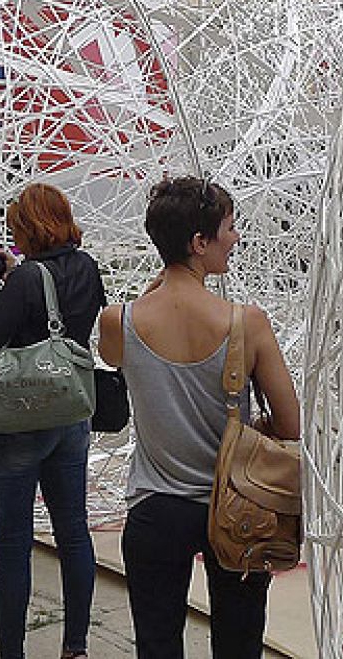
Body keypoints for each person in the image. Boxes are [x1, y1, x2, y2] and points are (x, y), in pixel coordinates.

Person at [96, 176, 299, 659]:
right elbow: (290, 424)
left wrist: (153, 292)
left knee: (158, 644)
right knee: (239, 644)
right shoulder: (246, 323)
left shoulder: (117, 321)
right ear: (198, 242)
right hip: (237, 507)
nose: (236, 238)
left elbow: (114, 361)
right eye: (228, 228)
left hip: (155, 509)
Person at [0, 183, 105, 659]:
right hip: (69, 414)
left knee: (14, 541)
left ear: (28, 226)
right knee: (73, 529)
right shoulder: (87, 267)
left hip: (18, 421)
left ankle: (13, 653)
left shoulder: (25, 280)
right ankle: (76, 646)